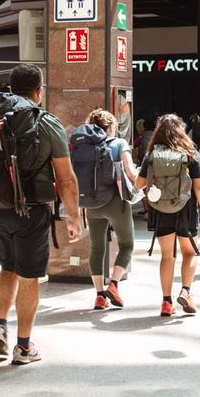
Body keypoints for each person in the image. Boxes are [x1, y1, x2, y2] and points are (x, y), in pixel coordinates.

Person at [0, 64, 81, 365]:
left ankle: (1, 325)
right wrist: (73, 217)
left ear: (11, 88)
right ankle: (24, 347)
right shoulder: (46, 123)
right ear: (39, 92)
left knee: (8, 267)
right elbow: (66, 178)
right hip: (31, 211)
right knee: (29, 278)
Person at [136, 114, 200, 316]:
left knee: (167, 256)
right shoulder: (189, 152)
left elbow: (138, 184)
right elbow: (199, 186)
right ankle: (186, 291)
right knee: (190, 252)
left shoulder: (152, 153)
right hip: (185, 209)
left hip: (161, 209)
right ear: (181, 131)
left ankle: (166, 302)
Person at [78, 109, 137, 311]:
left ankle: (99, 296)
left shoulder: (83, 147)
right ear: (111, 126)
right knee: (127, 245)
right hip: (115, 203)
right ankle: (114, 284)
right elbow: (130, 172)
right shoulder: (119, 144)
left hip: (92, 205)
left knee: (96, 249)